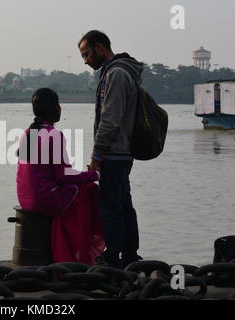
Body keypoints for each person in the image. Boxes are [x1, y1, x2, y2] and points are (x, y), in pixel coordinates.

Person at [16, 88, 105, 266]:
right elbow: (64, 175)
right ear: (56, 108)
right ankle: (80, 252)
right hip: (44, 199)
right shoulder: (54, 135)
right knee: (90, 190)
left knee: (80, 188)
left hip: (26, 199)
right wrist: (94, 174)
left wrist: (86, 175)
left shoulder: (28, 133)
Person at [78, 30, 144, 269]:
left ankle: (113, 257)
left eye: (87, 54)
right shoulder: (123, 72)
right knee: (124, 204)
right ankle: (129, 255)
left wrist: (96, 155)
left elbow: (110, 119)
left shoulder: (116, 74)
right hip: (123, 151)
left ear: (100, 47)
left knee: (110, 206)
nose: (86, 60)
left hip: (115, 153)